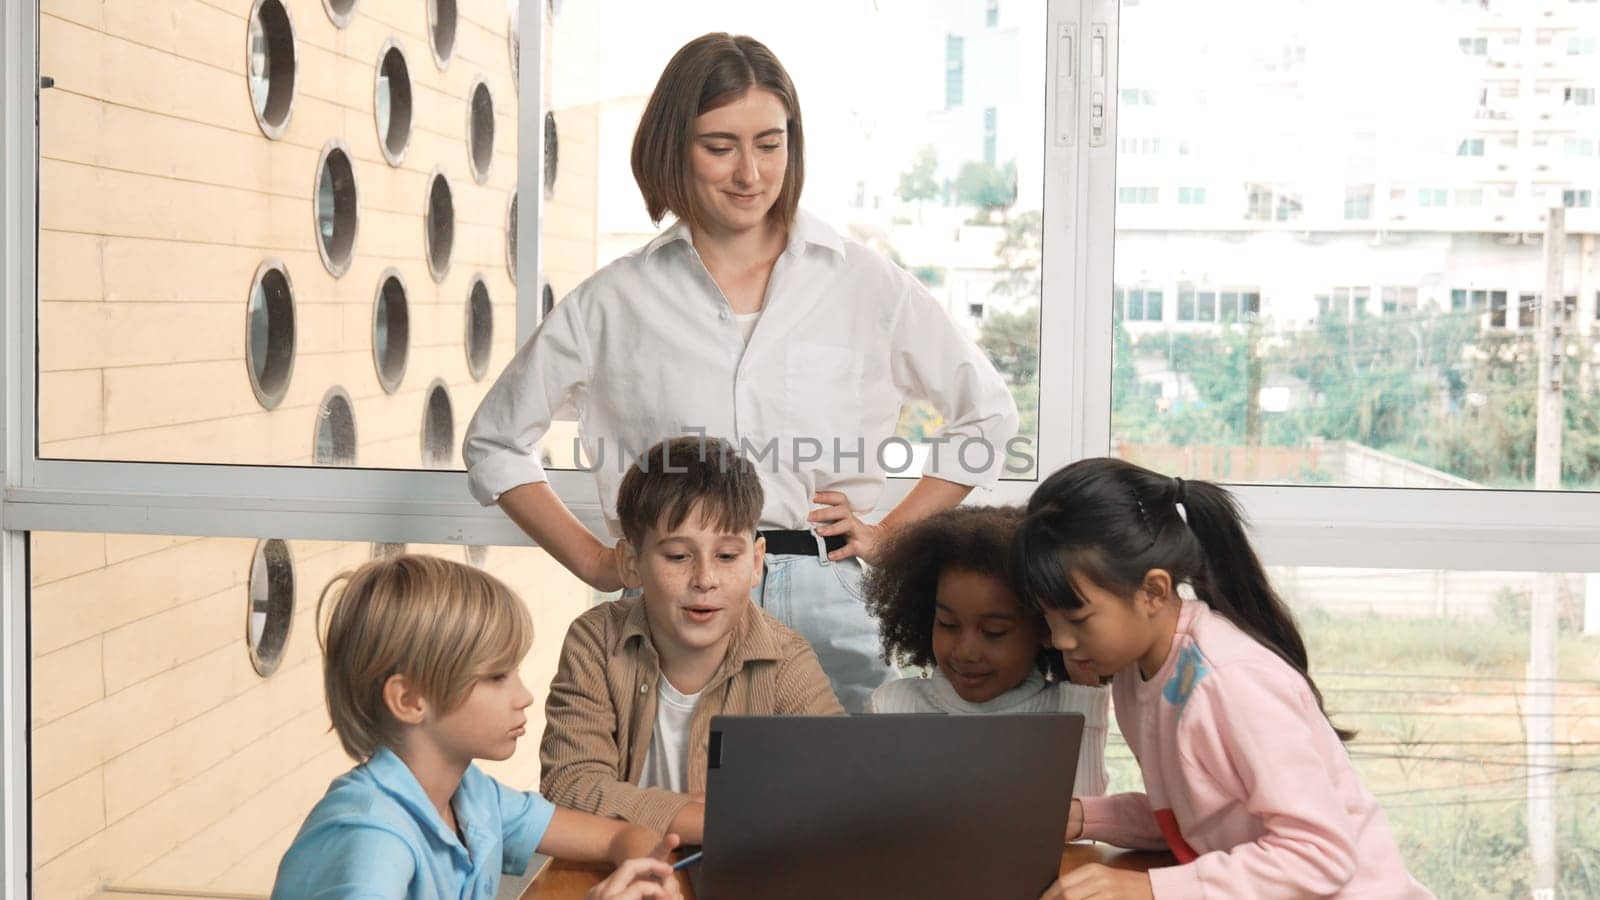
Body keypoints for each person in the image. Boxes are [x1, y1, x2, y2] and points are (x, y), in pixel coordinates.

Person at [464, 32, 1019, 713]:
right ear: (675, 148)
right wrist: (593, 561)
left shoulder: (864, 284)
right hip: (675, 603)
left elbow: (988, 417)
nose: (750, 174)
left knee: (841, 809)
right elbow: (495, 442)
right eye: (719, 146)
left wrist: (893, 534)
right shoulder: (615, 301)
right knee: (682, 808)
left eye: (769, 143)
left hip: (827, 596)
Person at [1016, 459, 1433, 900]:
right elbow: (1197, 816)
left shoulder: (1230, 682)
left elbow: (1318, 854)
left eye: (1076, 618)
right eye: (1049, 617)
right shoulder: (1138, 671)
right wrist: (1083, 816)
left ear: (1153, 592)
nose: (1060, 640)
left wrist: (1151, 889)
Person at [272, 555, 682, 900]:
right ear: (410, 700)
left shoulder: (472, 796)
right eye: (497, 677)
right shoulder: (374, 840)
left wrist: (644, 868)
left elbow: (618, 836)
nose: (523, 696)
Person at [540, 437, 844, 845]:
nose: (705, 579)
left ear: (755, 563)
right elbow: (568, 787)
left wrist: (640, 809)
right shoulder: (595, 640)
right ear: (631, 564)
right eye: (679, 556)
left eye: (727, 556)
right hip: (619, 873)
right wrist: (709, 819)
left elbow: (835, 790)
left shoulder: (787, 659)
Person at [862, 505, 1110, 798]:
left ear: (1045, 629)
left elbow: (1082, 815)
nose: (966, 651)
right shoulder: (893, 706)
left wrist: (1086, 693)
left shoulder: (1067, 710)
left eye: (994, 632)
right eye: (948, 624)